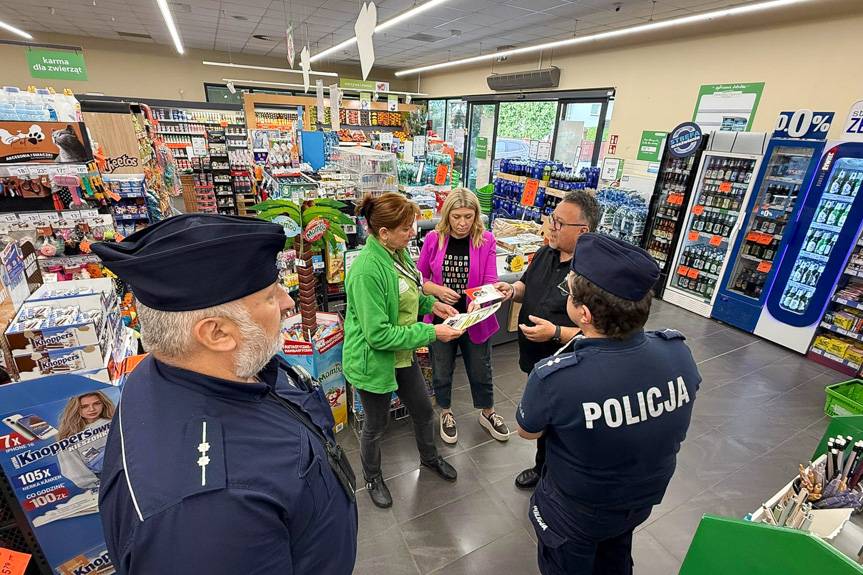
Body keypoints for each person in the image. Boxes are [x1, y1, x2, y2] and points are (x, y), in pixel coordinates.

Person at [94, 214, 357, 575]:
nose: (286, 302)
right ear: (216, 333)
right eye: (269, 295)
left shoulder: (195, 369)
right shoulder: (203, 518)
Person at [516, 233, 701, 575]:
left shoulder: (556, 377)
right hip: (640, 500)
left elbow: (528, 431)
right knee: (615, 557)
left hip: (575, 512)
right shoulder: (678, 353)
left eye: (567, 292)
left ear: (582, 313)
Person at [344, 192, 463, 509]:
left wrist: (433, 305)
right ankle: (372, 477)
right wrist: (431, 331)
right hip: (374, 360)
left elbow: (409, 294)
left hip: (401, 354)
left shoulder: (398, 254)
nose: (414, 232)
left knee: (423, 410)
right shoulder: (367, 271)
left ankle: (429, 458)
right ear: (383, 233)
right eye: (406, 228)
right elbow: (378, 335)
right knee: (375, 425)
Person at [495, 189, 600, 489]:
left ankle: (555, 474)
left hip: (569, 364)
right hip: (535, 358)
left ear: (584, 231)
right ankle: (542, 466)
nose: (551, 227)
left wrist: (554, 332)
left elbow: (598, 333)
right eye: (552, 220)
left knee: (563, 424)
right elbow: (527, 286)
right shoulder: (545, 253)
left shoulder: (590, 273)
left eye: (559, 223)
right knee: (545, 417)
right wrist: (510, 291)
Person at [417, 188, 508, 444]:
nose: (462, 223)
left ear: (476, 215)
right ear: (447, 215)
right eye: (457, 216)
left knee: (481, 368)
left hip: (475, 319)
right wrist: (436, 290)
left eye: (468, 216)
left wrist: (479, 301)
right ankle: (446, 411)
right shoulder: (434, 239)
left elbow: (491, 280)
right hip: (441, 318)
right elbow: (419, 276)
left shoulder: (486, 240)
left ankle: (487, 412)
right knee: (442, 369)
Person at [57, 391, 115, 490]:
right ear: (75, 409)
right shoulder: (68, 439)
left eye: (96, 403)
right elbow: (74, 471)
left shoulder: (115, 423)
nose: (91, 409)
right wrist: (98, 486)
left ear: (103, 404)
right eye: (84, 406)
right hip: (104, 483)